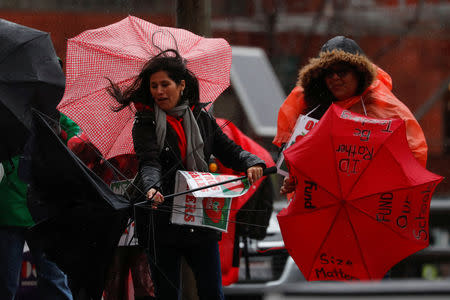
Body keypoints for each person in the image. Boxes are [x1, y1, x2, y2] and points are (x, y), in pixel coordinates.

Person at [109, 49, 266, 299]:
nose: (159, 91)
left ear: (181, 85)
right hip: (160, 218)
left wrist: (251, 162)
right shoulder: (145, 122)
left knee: (212, 292)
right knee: (168, 294)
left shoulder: (202, 117)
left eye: (165, 84)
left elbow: (229, 150)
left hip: (201, 216)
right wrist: (152, 188)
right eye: (153, 86)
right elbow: (149, 162)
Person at [273, 36, 428, 195]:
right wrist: (293, 178)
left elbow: (411, 156)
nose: (334, 78)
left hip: (372, 200)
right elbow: (292, 157)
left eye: (342, 72)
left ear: (358, 73)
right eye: (328, 73)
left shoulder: (384, 108)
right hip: (323, 202)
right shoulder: (311, 108)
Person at [0, 155, 73, 300]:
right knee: (5, 284)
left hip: (43, 205)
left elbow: (72, 139)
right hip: (11, 207)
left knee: (54, 279)